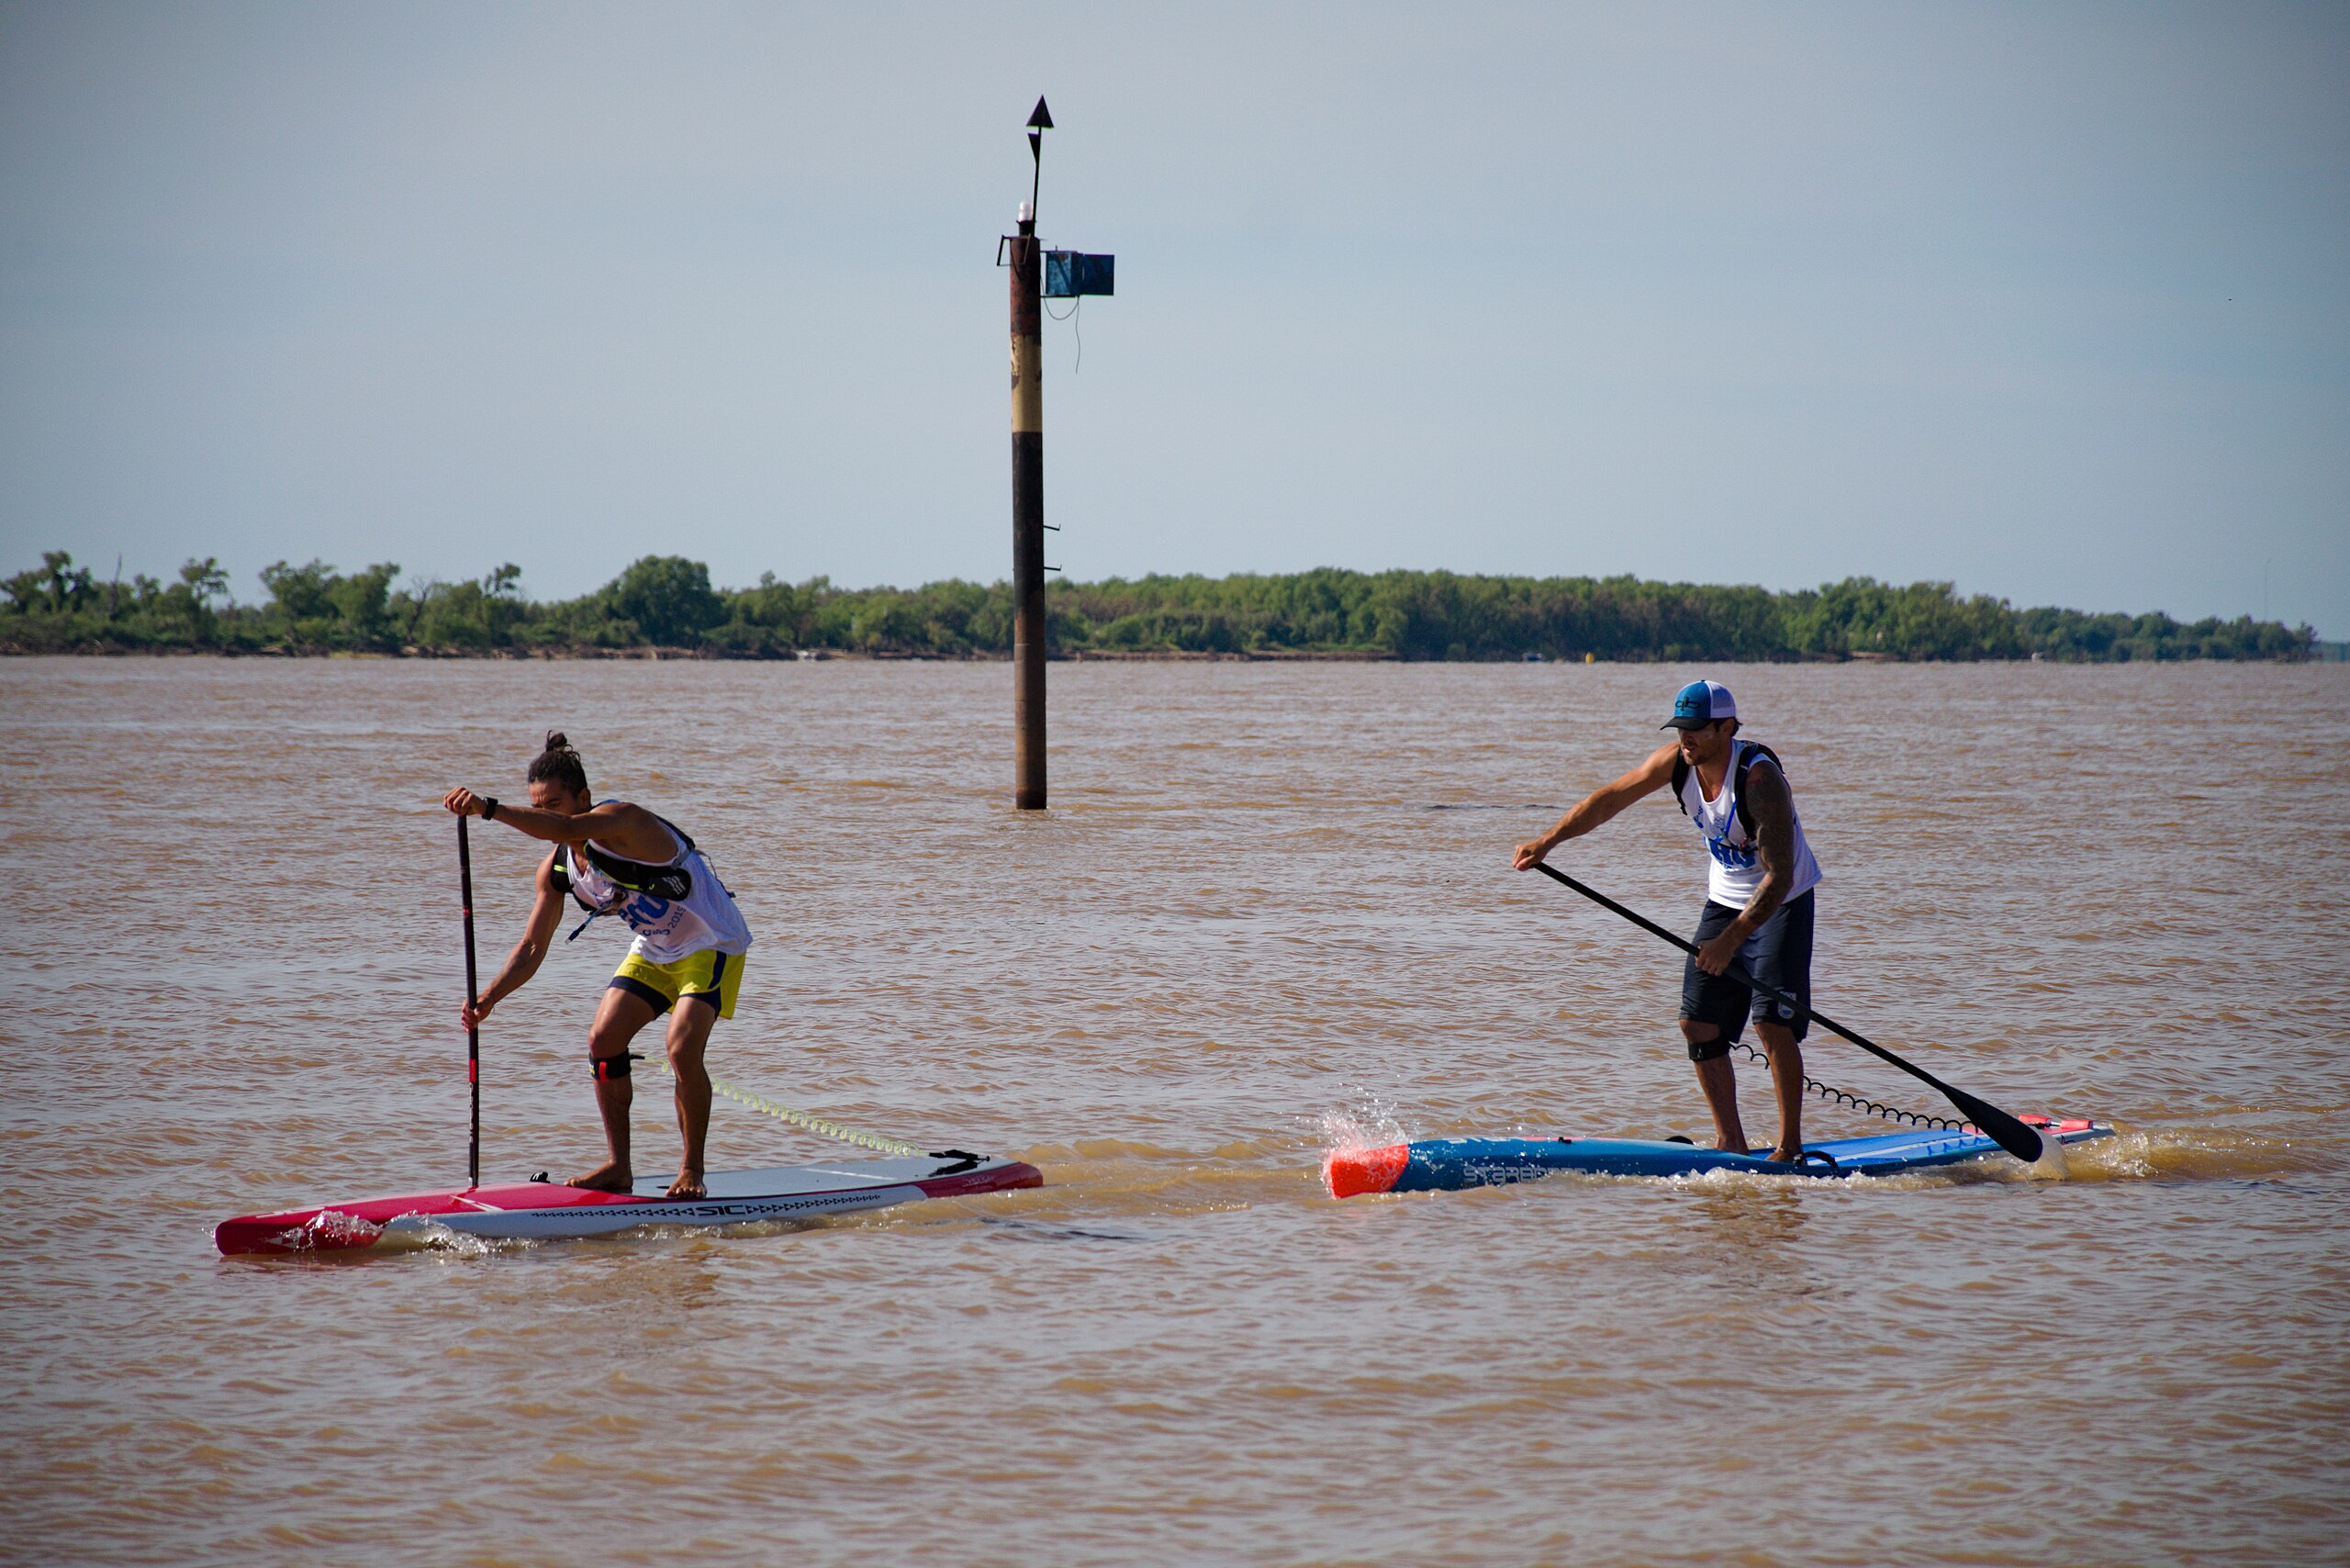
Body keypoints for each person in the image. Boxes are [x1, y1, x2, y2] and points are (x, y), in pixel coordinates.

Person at [1512, 680, 1823, 1161]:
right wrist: (1548, 842)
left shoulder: (1760, 782)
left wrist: (1730, 941)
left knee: (1771, 1026)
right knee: (1697, 1023)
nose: (1686, 738)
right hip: (1724, 900)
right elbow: (1609, 799)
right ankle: (1731, 1141)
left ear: (1726, 727)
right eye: (1680, 727)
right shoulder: (1677, 762)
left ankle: (1790, 1150)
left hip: (1781, 903)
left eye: (1697, 729)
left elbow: (1779, 877)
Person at [442, 732, 753, 1198]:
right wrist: (488, 999)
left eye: (555, 804)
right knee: (602, 1040)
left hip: (710, 939)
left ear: (583, 799)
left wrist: (489, 808)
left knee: (681, 1048)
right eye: (538, 806)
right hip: (654, 947)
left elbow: (567, 829)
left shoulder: (622, 820)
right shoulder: (558, 869)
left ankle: (692, 1171)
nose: (547, 815)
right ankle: (618, 1167)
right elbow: (531, 948)